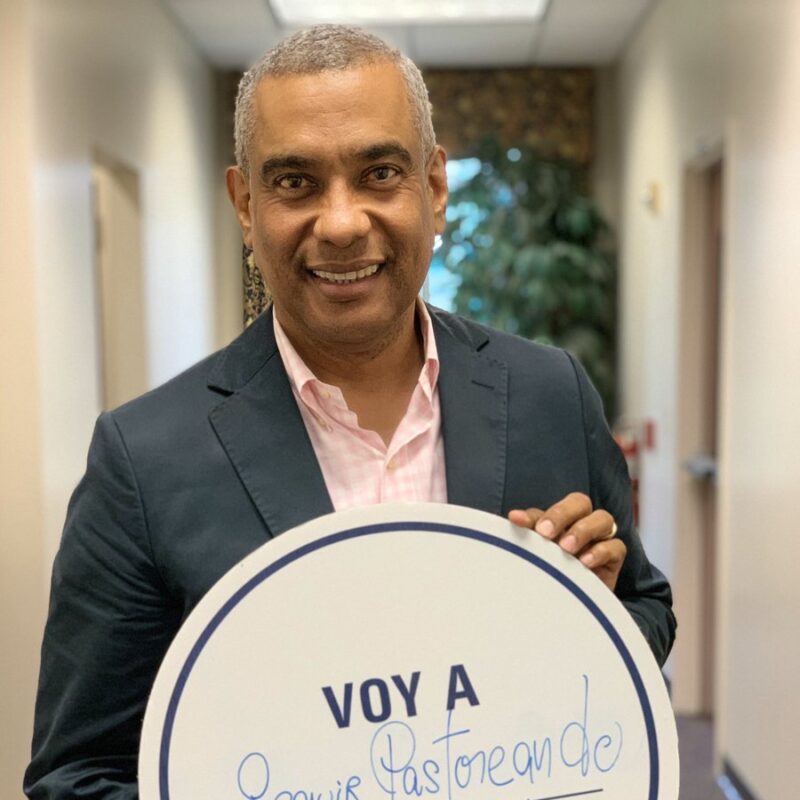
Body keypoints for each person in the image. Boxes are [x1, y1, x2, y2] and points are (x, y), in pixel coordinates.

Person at [24, 25, 675, 800]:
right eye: (295, 182)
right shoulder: (142, 460)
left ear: (435, 188)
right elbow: (77, 775)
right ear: (245, 205)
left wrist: (585, 612)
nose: (340, 223)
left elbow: (645, 609)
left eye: (380, 173)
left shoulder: (550, 393)